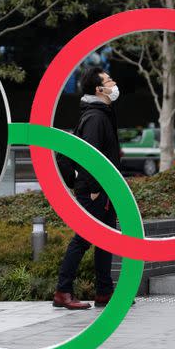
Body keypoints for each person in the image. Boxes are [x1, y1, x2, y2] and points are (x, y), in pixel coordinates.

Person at [53, 66, 121, 310]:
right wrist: (92, 188)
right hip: (96, 189)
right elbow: (89, 155)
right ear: (99, 89)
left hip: (106, 189)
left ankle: (104, 292)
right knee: (82, 240)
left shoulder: (102, 113)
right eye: (109, 80)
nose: (114, 83)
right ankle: (63, 291)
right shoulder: (95, 117)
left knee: (106, 241)